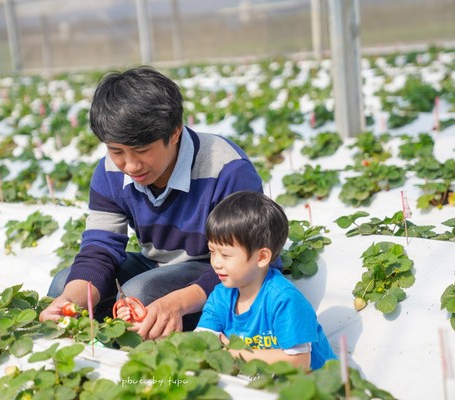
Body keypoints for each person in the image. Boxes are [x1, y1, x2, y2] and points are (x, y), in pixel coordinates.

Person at [39, 66, 280, 340]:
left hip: (218, 271)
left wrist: (176, 304)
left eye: (142, 150)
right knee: (65, 285)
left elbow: (250, 260)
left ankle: (152, 350)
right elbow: (100, 248)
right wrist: (70, 301)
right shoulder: (109, 171)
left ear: (175, 132)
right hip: (158, 266)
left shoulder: (226, 169)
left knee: (140, 295)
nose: (129, 165)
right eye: (116, 151)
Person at [195, 191, 336, 370]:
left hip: (315, 386)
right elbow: (201, 341)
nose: (215, 262)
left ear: (261, 257)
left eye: (225, 255)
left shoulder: (284, 300)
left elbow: (299, 362)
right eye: (212, 251)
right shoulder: (220, 296)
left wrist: (235, 353)